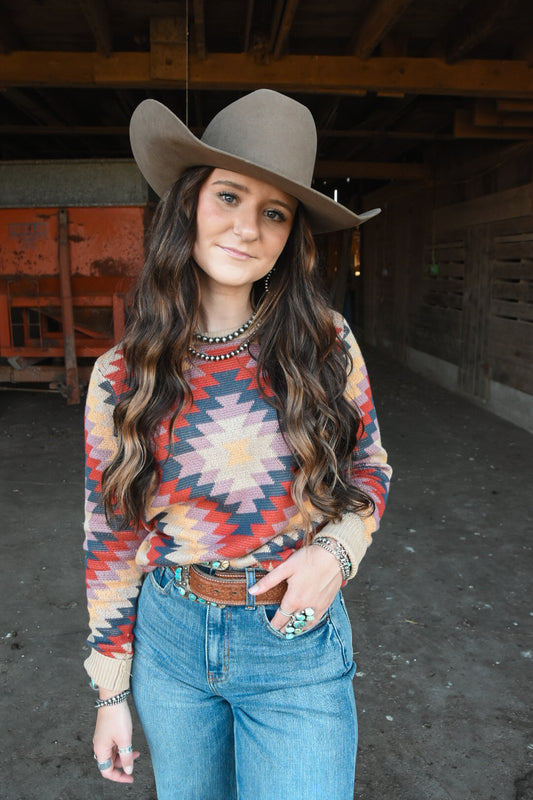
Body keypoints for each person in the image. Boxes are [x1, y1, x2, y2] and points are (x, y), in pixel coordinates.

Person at [84, 89, 391, 800]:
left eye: (274, 212)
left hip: (294, 639)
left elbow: (367, 466)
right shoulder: (120, 375)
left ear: (291, 235)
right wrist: (109, 692)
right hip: (170, 640)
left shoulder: (325, 345)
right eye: (228, 196)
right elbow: (109, 532)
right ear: (187, 203)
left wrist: (334, 552)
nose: (247, 228)